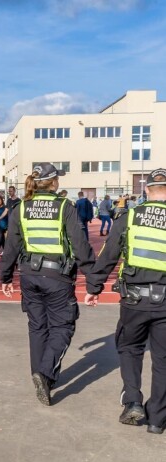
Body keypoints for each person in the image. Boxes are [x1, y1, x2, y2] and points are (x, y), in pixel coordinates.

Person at [0, 163, 96, 407]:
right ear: (53, 182)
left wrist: (6, 277)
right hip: (57, 277)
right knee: (63, 327)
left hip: (29, 275)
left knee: (37, 327)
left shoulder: (21, 208)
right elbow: (80, 245)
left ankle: (40, 376)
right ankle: (44, 374)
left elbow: (11, 246)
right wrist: (94, 280)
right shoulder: (65, 207)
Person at [85, 168, 166, 434]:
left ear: (146, 191)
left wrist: (94, 287)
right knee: (163, 359)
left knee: (130, 348)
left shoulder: (129, 217)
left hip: (133, 300)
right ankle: (157, 418)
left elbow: (109, 255)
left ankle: (133, 401)